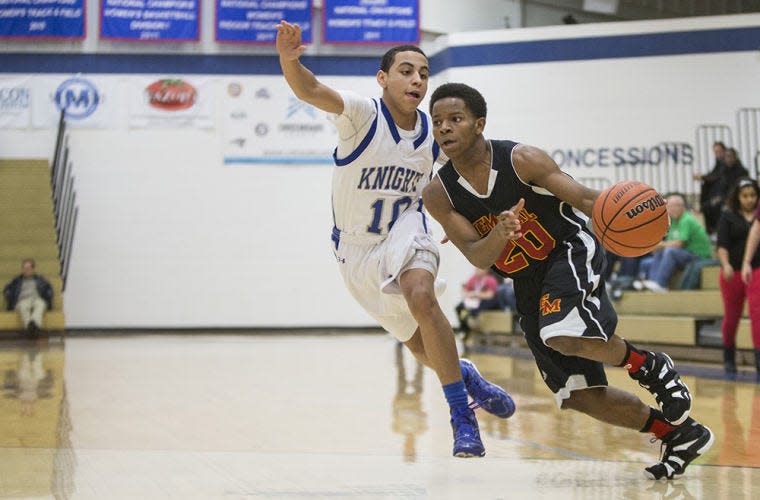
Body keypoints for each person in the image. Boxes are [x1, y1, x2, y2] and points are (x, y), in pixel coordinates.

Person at [421, 82, 713, 479]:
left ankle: (652, 367)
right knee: (579, 396)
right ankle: (679, 434)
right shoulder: (440, 194)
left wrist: (639, 213)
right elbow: (476, 254)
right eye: (438, 122)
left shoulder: (522, 160)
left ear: (479, 124)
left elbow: (588, 201)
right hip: (525, 279)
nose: (444, 128)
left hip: (568, 250)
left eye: (455, 119)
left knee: (560, 331)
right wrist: (500, 233)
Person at [275, 21, 515, 458]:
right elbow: (310, 90)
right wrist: (290, 60)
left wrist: (465, 219)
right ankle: (465, 375)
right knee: (422, 346)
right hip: (356, 251)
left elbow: (469, 174)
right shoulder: (361, 114)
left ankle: (462, 417)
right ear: (382, 79)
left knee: (422, 296)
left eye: (423, 73)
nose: (417, 80)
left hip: (407, 229)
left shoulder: (434, 134)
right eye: (406, 71)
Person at [716, 178, 760, 379]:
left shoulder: (758, 217)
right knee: (731, 318)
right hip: (731, 272)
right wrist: (725, 264)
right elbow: (722, 245)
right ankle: (728, 357)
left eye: (753, 195)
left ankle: (758, 361)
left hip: (756, 270)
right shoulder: (728, 216)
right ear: (738, 197)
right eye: (745, 195)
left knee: (757, 315)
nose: (750, 199)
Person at [638, 193, 713, 292]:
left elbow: (679, 244)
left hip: (699, 256)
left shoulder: (686, 220)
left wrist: (658, 245)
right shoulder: (673, 222)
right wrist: (658, 247)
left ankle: (661, 284)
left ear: (681, 207)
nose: (671, 209)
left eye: (674, 206)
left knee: (670, 251)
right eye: (669, 207)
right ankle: (653, 282)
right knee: (658, 252)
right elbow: (669, 243)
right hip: (684, 254)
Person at [3, 258, 53, 336]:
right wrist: (9, 296)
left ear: (33, 269)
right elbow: (6, 289)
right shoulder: (17, 280)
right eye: (24, 268)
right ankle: (33, 328)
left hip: (36, 299)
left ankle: (32, 327)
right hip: (22, 300)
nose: (26, 270)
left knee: (41, 304)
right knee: (23, 306)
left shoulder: (40, 279)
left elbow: (49, 289)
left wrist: (48, 295)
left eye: (28, 268)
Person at [455, 267, 502, 338]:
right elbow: (465, 292)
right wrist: (472, 295)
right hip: (474, 301)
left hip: (486, 302)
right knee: (459, 307)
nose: (476, 271)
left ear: (486, 270)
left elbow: (490, 295)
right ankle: (463, 327)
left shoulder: (490, 280)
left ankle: (469, 328)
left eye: (479, 269)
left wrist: (476, 294)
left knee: (473, 312)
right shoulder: (473, 279)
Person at [694, 141, 727, 234]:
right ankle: (711, 231)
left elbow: (717, 176)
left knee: (711, 205)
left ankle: (716, 231)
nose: (717, 154)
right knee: (706, 205)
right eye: (715, 152)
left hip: (723, 194)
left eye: (719, 151)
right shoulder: (719, 162)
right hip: (716, 194)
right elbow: (713, 174)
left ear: (724, 150)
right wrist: (703, 177)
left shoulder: (726, 162)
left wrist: (703, 177)